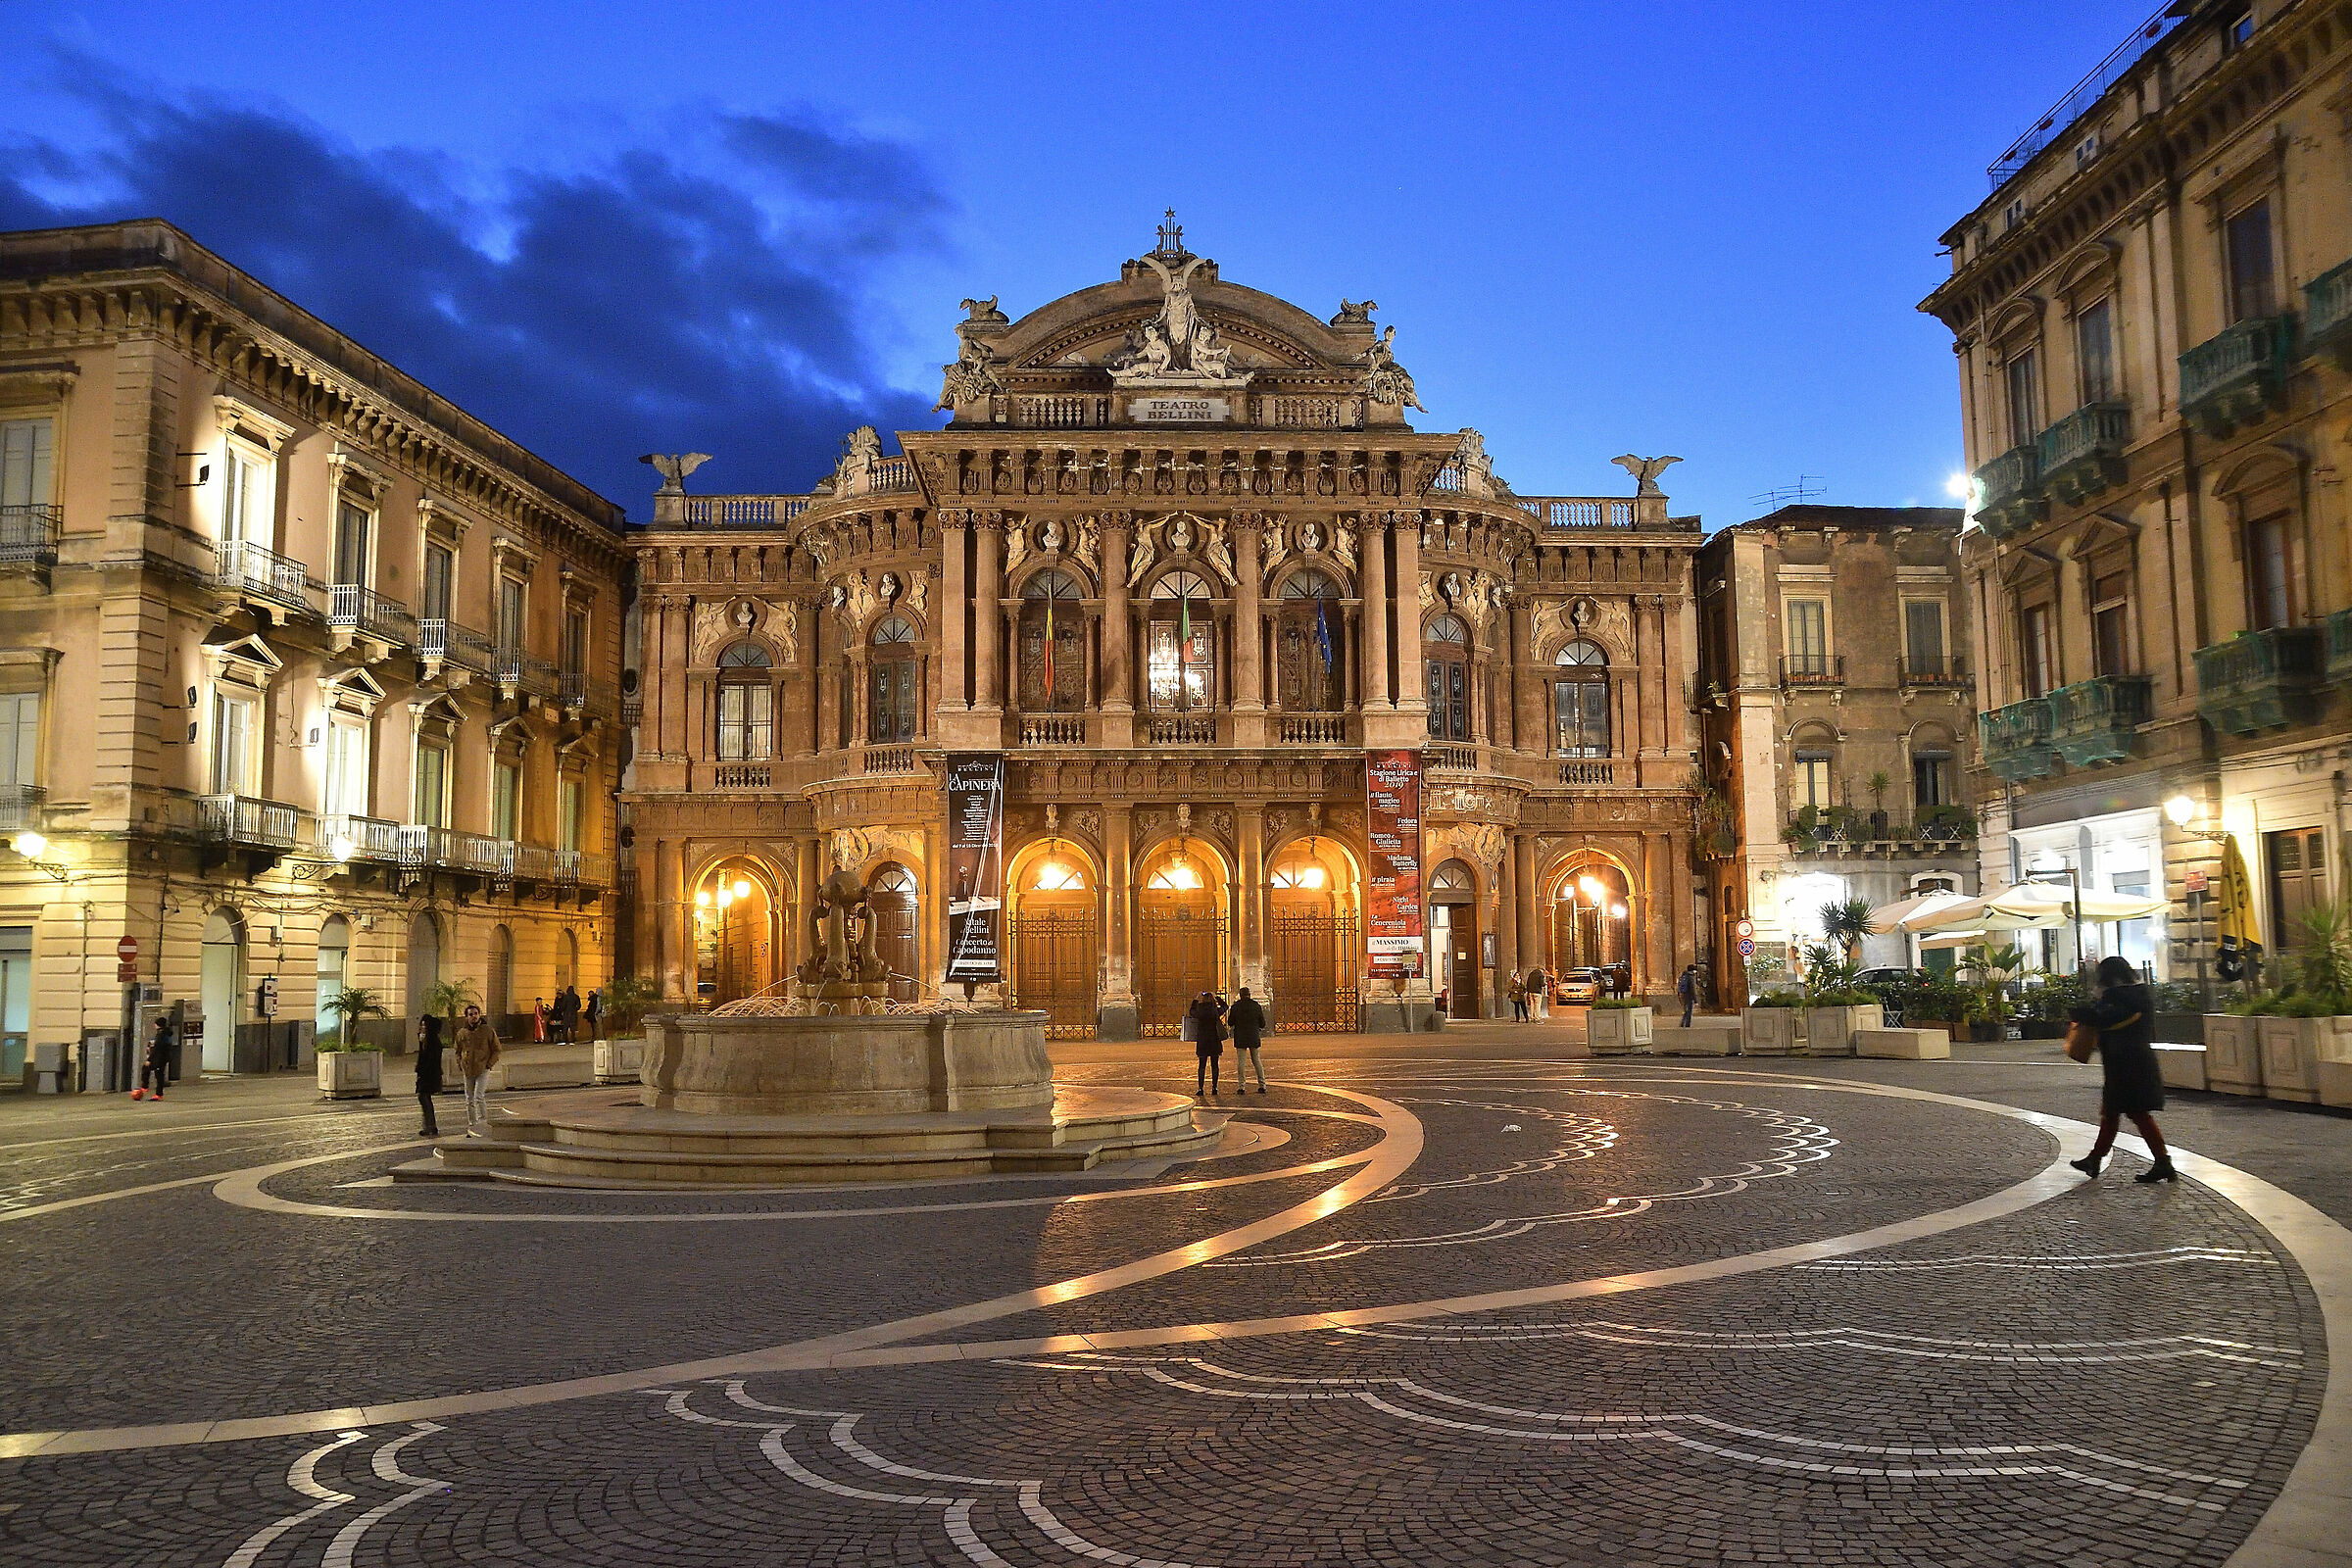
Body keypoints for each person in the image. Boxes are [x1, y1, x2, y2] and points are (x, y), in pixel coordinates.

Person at [2067, 956, 2178, 1183]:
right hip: (2131, 1061)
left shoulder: (2122, 997)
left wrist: (2081, 1014)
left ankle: (2162, 1161)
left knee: (2134, 1113)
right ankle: (2096, 1158)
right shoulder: (2138, 994)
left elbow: (2105, 1017)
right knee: (2115, 1112)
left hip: (2127, 1064)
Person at [453, 1003, 502, 1137]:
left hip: (483, 1068)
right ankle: (472, 1125)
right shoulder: (462, 1033)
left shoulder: (487, 1031)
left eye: (476, 1014)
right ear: (467, 1017)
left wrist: (489, 1064)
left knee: (479, 1096)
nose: (474, 1016)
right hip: (468, 1068)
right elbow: (457, 1050)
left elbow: (497, 1049)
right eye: (471, 1014)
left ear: (479, 1015)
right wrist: (460, 1063)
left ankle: (483, 1123)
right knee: (469, 1099)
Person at [1229, 986, 1267, 1093]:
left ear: (1240, 995)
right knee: (1257, 1061)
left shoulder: (1235, 1007)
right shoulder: (1256, 1005)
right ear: (1249, 995)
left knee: (1241, 1062)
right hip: (1253, 1035)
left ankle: (1241, 1086)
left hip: (1240, 1036)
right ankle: (1262, 1085)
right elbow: (1262, 1023)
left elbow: (1230, 1022)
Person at [1190, 990, 1228, 1097]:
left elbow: (1191, 1011)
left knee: (1202, 1066)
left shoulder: (1199, 1010)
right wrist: (1217, 997)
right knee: (1215, 1065)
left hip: (1203, 1041)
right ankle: (1215, 1088)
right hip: (1214, 1040)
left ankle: (1200, 1088)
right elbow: (1225, 1006)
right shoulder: (1215, 1010)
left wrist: (1196, 999)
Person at [415, 1012, 445, 1138]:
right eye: (421, 1025)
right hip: (425, 1074)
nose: (422, 1028)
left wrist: (422, 1071)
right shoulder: (424, 1040)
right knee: (424, 1098)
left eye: (425, 1026)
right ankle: (429, 1126)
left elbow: (431, 1060)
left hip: (429, 1075)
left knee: (424, 1097)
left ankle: (430, 1126)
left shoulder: (433, 1042)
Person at [133, 1014, 173, 1101]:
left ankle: (147, 1088)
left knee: (148, 1069)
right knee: (158, 1075)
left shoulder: (161, 1034)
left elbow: (157, 1048)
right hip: (164, 1057)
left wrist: (149, 1059)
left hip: (159, 1057)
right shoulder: (166, 1033)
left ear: (158, 1024)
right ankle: (157, 1093)